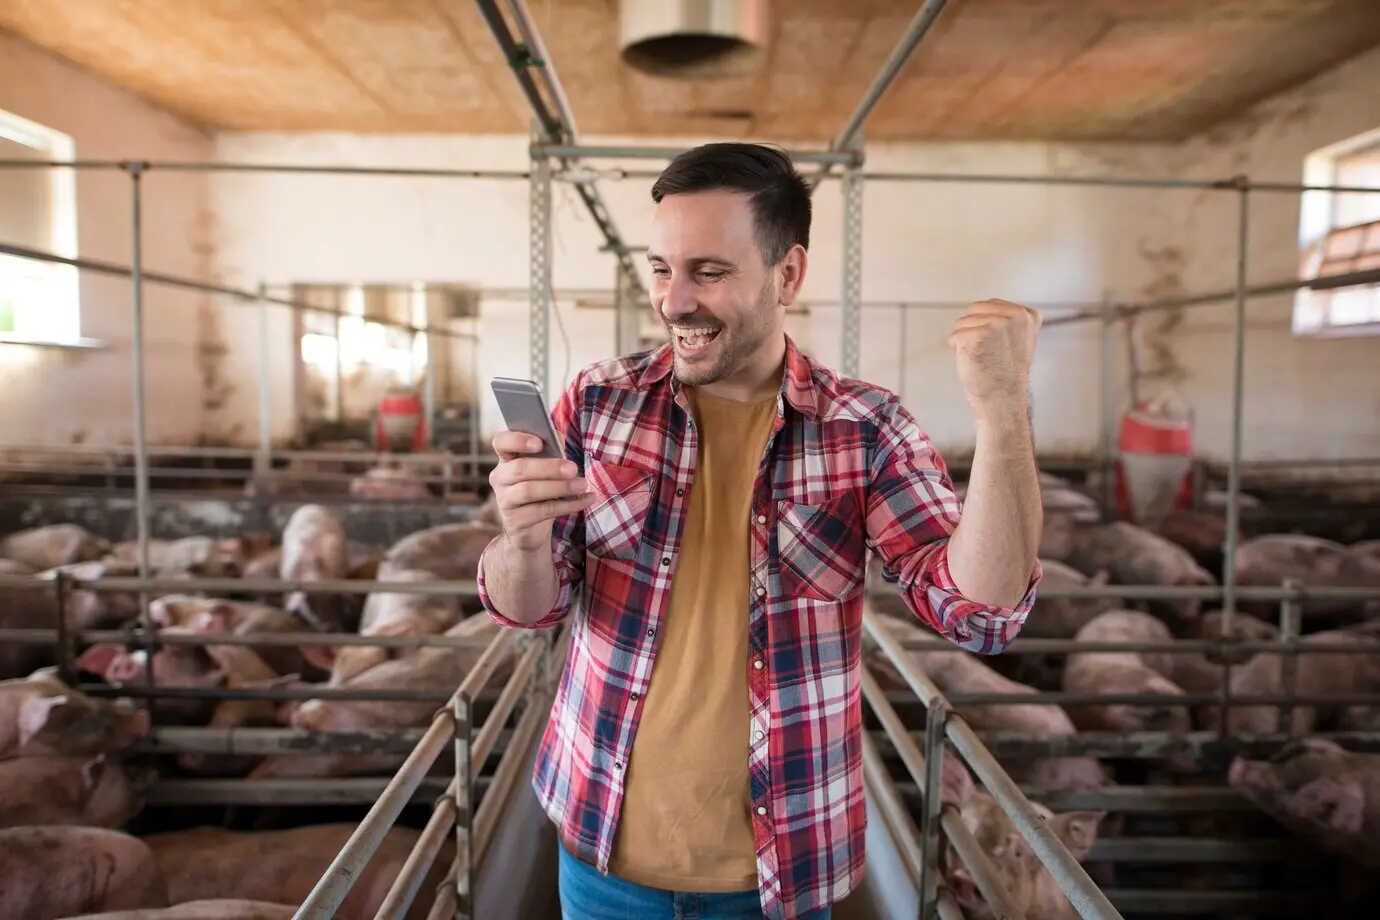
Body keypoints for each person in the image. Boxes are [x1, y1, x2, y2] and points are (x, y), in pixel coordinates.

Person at [476, 142, 1045, 920]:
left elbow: (979, 615)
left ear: (788, 275)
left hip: (778, 874)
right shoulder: (598, 404)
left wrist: (1003, 413)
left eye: (709, 272)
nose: (675, 301)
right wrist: (523, 538)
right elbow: (529, 608)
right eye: (661, 269)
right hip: (600, 849)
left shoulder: (864, 428)